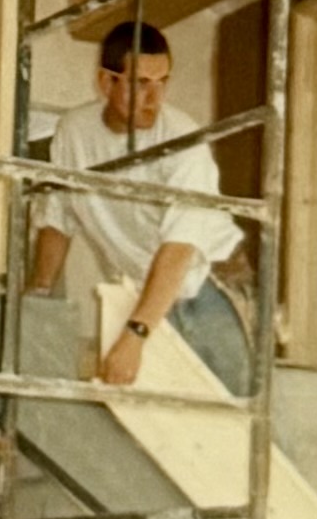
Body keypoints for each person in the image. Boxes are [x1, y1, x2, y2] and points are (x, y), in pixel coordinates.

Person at [25, 21, 250, 394]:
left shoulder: (183, 140)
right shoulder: (74, 132)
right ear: (105, 82)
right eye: (141, 83)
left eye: (163, 82)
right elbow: (58, 218)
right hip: (147, 290)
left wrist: (136, 333)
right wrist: (39, 292)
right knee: (160, 421)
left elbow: (179, 248)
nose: (154, 97)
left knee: (238, 417)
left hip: (210, 285)